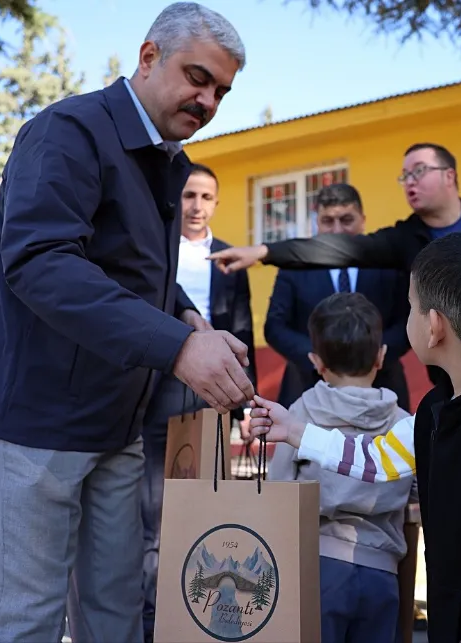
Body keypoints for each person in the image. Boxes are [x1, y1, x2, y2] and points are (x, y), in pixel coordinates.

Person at [0, 4, 253, 641]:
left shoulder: (165, 159)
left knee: (114, 619)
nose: (208, 100)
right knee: (26, 624)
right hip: (31, 427)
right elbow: (40, 261)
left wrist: (188, 317)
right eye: (197, 77)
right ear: (148, 57)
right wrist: (176, 349)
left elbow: (130, 269)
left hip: (115, 428)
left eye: (221, 91)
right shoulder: (68, 131)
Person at [248, 229, 461, 642]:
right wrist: (296, 432)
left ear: (433, 327)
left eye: (410, 307)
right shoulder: (441, 406)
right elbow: (377, 458)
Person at [210, 143, 461, 389]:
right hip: (450, 380)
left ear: (449, 175)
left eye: (420, 171)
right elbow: (339, 248)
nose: (410, 181)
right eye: (405, 175)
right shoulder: (404, 238)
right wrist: (264, 250)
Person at [140, 162, 257, 643]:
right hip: (157, 381)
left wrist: (244, 403)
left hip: (214, 390)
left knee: (208, 498)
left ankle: (201, 605)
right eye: (189, 195)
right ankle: (150, 614)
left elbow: (244, 329)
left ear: (216, 203)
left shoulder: (228, 258)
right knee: (152, 505)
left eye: (206, 197)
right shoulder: (157, 246)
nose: (196, 206)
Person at [267, 292, 415, 643]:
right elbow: (416, 489)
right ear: (381, 357)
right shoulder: (403, 423)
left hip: (318, 569)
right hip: (383, 574)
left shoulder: (299, 414)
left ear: (316, 362)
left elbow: (278, 489)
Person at [265, 183, 410, 410]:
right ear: (317, 222)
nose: (337, 230)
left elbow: (407, 321)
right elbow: (274, 326)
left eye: (346, 220)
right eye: (327, 221)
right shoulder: (293, 267)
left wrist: (370, 356)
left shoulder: (389, 263)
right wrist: (321, 358)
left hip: (381, 388)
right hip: (307, 386)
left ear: (363, 220)